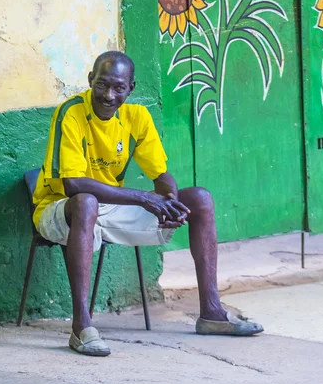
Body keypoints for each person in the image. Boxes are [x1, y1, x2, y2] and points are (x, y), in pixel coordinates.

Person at [33, 51, 263, 356]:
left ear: (131, 88)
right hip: (59, 208)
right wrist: (144, 199)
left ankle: (211, 313)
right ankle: (81, 327)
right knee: (86, 201)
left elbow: (160, 174)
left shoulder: (137, 117)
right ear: (90, 81)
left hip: (109, 206)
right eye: (101, 85)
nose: (108, 95)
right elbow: (73, 185)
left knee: (200, 199)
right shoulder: (71, 112)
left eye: (118, 88)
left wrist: (169, 202)